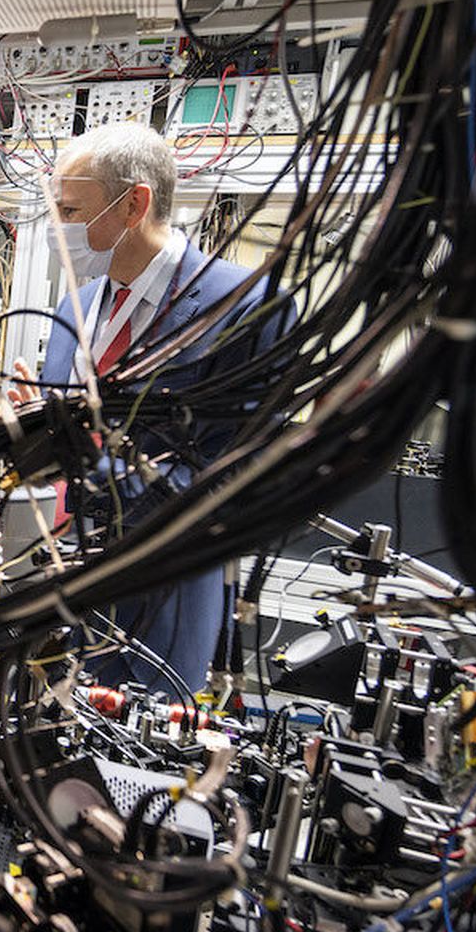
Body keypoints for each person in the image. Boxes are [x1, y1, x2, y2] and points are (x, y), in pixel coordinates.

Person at [33, 122, 287, 691]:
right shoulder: (75, 307)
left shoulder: (243, 306)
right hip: (66, 575)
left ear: (134, 205)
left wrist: (99, 472)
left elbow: (243, 470)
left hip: (166, 590)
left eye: (71, 211)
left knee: (146, 758)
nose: (58, 227)